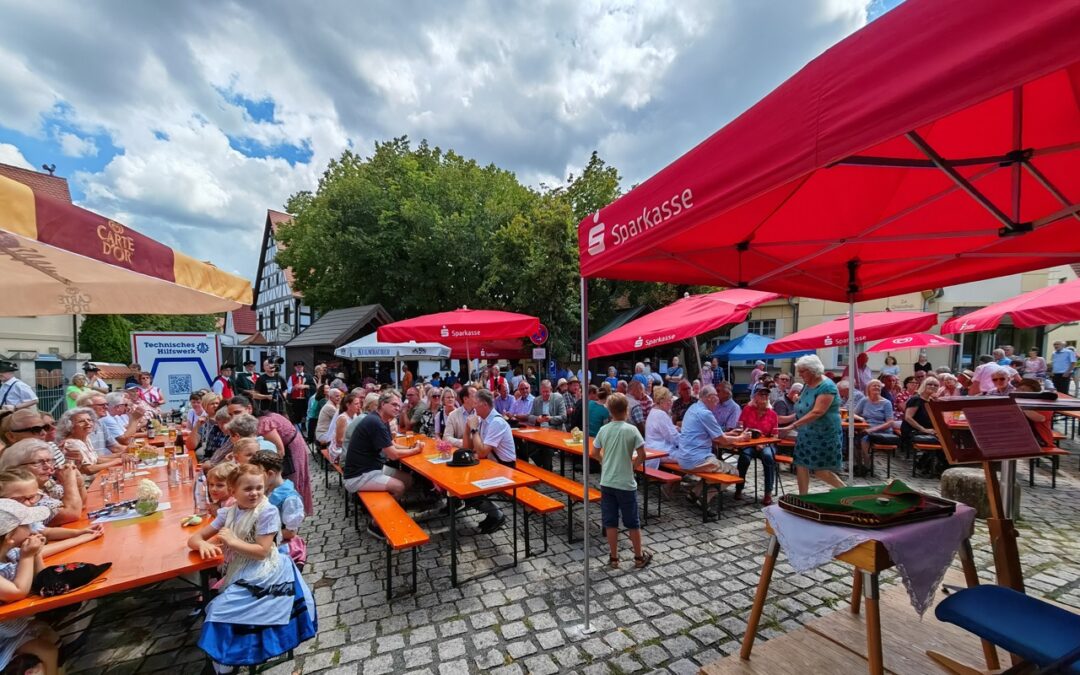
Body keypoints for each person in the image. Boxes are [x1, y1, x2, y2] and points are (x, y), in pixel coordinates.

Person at [188, 464, 316, 670]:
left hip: (266, 570)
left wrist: (230, 541)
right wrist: (202, 543)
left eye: (259, 488)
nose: (255, 493)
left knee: (220, 609)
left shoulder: (267, 512)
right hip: (242, 567)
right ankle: (225, 660)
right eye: (248, 489)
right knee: (221, 607)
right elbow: (195, 538)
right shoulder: (228, 512)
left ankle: (227, 660)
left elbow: (263, 551)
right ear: (233, 492)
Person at [590, 393, 651, 570]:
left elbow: (594, 453)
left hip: (607, 481)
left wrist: (604, 460)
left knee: (610, 521)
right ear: (627, 410)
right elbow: (642, 455)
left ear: (609, 411)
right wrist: (633, 466)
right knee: (632, 521)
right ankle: (638, 557)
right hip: (625, 482)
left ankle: (614, 558)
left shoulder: (604, 430)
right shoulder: (631, 430)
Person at [0, 498, 60, 674]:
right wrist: (27, 557)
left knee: (50, 638)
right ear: (10, 536)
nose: (32, 529)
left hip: (14, 627)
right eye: (26, 525)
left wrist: (36, 554)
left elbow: (40, 580)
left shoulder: (11, 554)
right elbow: (17, 592)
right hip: (4, 637)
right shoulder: (18, 556)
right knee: (47, 651)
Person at [342, 392, 422, 523]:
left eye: (399, 406)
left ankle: (387, 508)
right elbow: (393, 455)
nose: (397, 408)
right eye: (394, 404)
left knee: (408, 479)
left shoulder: (381, 420)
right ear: (383, 404)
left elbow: (392, 445)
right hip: (358, 476)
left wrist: (410, 449)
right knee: (399, 487)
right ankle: (377, 523)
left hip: (372, 468)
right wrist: (415, 450)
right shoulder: (375, 422)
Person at [226, 397, 312, 516]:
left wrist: (274, 471)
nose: (234, 417)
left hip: (291, 451)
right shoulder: (251, 424)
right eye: (230, 414)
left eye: (237, 412)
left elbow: (280, 451)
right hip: (273, 468)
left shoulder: (263, 422)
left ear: (249, 409)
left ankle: (290, 512)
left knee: (294, 480)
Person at [778, 354, 846, 495]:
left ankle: (846, 491)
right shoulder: (808, 384)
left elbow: (817, 412)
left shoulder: (827, 387)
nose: (800, 374)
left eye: (803, 371)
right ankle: (803, 497)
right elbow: (803, 406)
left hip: (824, 434)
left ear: (813, 370)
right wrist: (787, 415)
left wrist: (792, 426)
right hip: (806, 433)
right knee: (801, 465)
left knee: (820, 471)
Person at [674, 386, 746, 514]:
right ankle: (704, 499)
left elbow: (717, 435)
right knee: (734, 472)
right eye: (715, 398)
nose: (718, 401)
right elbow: (720, 440)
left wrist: (731, 434)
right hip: (696, 459)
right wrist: (741, 438)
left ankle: (694, 493)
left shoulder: (693, 408)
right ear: (709, 398)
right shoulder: (705, 413)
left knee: (714, 467)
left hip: (684, 456)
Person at [0, 440, 84, 525]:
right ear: (15, 468)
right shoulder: (20, 496)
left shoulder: (48, 484)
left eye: (50, 461)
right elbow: (72, 513)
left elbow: (81, 504)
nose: (48, 466)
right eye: (38, 462)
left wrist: (78, 480)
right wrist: (69, 480)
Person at [249, 451, 306, 568]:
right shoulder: (267, 489)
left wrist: (258, 536)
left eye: (257, 476)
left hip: (279, 547)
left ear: (270, 474)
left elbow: (291, 532)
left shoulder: (290, 499)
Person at [734, 388, 778, 505]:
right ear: (755, 397)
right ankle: (739, 488)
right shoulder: (747, 410)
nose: (764, 396)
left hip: (766, 444)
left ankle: (768, 493)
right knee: (744, 457)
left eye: (766, 394)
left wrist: (764, 444)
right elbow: (740, 427)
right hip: (749, 443)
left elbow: (775, 435)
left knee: (768, 457)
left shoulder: (772, 414)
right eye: (761, 394)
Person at [56, 408, 121, 477]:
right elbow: (88, 470)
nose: (88, 423)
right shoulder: (70, 443)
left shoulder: (85, 438)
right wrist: (117, 461)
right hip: (85, 484)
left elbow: (95, 459)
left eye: (89, 420)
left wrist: (120, 457)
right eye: (81, 421)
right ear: (70, 427)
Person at [853, 379, 897, 475]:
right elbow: (853, 414)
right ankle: (858, 465)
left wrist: (872, 429)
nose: (877, 387)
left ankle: (867, 466)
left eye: (878, 386)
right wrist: (861, 418)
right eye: (874, 385)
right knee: (853, 439)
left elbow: (890, 422)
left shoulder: (886, 403)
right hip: (867, 427)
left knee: (864, 439)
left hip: (882, 430)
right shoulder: (864, 400)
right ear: (868, 389)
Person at [645, 388, 678, 472]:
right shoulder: (661, 414)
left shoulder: (653, 411)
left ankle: (672, 483)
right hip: (660, 452)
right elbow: (673, 437)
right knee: (691, 457)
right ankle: (671, 483)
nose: (671, 403)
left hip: (653, 450)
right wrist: (688, 442)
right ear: (661, 401)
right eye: (669, 401)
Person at [328, 394, 362, 463]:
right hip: (338, 449)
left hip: (349, 444)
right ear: (348, 405)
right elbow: (339, 441)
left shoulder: (355, 415)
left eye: (359, 403)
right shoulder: (343, 418)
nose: (359, 406)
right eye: (356, 404)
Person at [286, 361, 314, 429]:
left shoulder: (308, 376)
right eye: (297, 367)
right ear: (295, 368)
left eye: (300, 367)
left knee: (306, 415)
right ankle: (298, 431)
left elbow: (313, 387)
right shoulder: (292, 377)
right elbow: (288, 390)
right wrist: (293, 388)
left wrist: (304, 386)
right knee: (296, 417)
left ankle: (306, 430)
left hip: (306, 399)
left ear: (303, 367)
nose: (299, 368)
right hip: (295, 400)